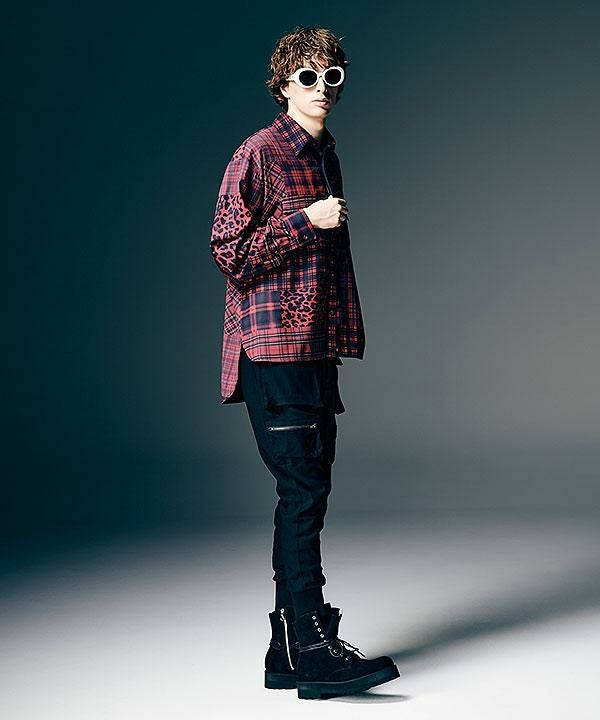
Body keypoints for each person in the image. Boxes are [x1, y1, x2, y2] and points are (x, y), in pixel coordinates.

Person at [209, 26, 400, 699]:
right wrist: (304, 221)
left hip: (314, 349)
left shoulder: (326, 159)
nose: (322, 88)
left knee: (305, 490)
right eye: (308, 77)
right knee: (302, 492)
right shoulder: (258, 153)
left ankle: (286, 648)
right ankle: (312, 646)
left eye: (331, 76)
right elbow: (229, 252)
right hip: (273, 350)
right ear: (284, 85)